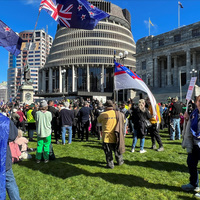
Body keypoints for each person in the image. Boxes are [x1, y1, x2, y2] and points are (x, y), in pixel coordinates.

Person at [181, 95, 200, 197]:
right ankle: (193, 184)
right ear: (196, 103)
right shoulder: (194, 114)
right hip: (194, 144)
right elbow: (190, 128)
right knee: (191, 163)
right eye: (199, 101)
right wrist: (187, 119)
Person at [97, 100, 124, 169]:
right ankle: (120, 161)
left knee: (108, 151)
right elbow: (123, 121)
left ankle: (110, 164)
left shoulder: (103, 114)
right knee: (117, 149)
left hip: (107, 136)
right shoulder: (119, 114)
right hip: (116, 135)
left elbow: (98, 120)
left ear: (106, 106)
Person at [0, 112, 21, 200]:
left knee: (9, 180)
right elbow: (13, 135)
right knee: (9, 181)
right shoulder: (3, 120)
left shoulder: (3, 121)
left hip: (3, 157)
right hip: (3, 159)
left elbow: (12, 135)